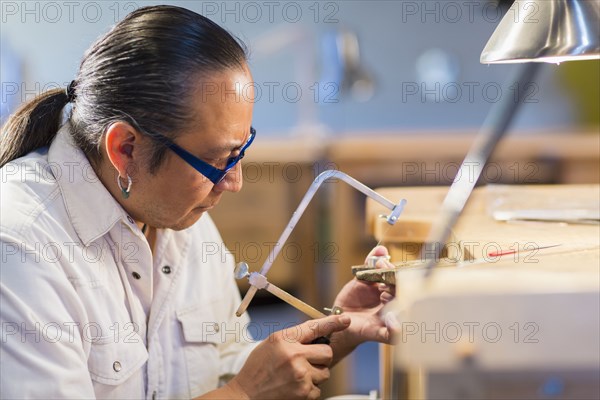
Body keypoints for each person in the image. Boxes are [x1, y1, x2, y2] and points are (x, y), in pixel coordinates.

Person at [0, 5, 396, 399]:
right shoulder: (20, 245)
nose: (234, 181)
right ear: (125, 149)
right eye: (215, 159)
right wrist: (245, 394)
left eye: (240, 151)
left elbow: (224, 367)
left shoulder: (178, 220)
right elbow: (241, 389)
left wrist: (336, 333)